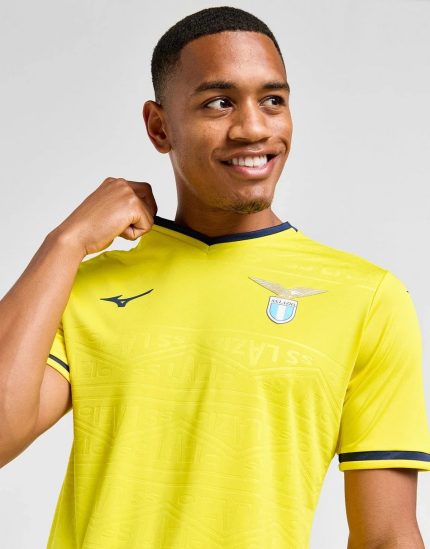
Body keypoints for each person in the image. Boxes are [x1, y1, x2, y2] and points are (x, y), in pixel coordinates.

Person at [0, 5, 429, 548]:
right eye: (219, 102)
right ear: (159, 127)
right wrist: (64, 243)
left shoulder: (366, 298)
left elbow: (388, 536)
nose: (253, 128)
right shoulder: (85, 286)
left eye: (272, 101)